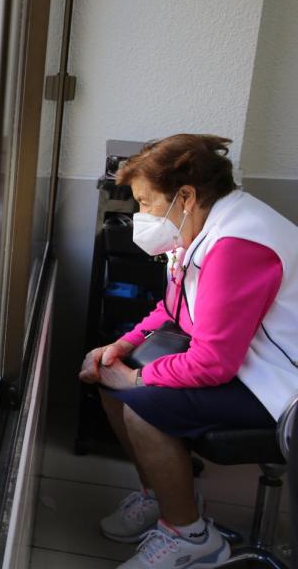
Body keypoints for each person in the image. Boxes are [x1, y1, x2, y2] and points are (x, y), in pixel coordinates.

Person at [77, 134, 298, 569]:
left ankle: (192, 538)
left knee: (141, 404)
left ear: (185, 195)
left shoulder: (239, 244)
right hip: (248, 363)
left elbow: (213, 362)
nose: (141, 216)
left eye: (145, 202)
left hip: (282, 386)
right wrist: (121, 347)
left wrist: (138, 379)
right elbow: (174, 308)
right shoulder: (205, 227)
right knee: (109, 378)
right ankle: (162, 496)